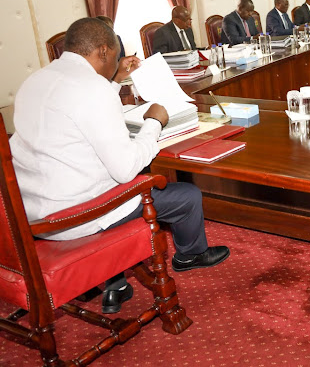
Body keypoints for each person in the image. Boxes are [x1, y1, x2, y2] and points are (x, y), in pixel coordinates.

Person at [10, 18, 230, 313]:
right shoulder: (92, 90)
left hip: (34, 215)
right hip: (80, 216)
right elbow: (126, 169)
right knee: (186, 196)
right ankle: (190, 255)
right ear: (102, 50)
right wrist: (154, 122)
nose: (116, 63)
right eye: (114, 57)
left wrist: (113, 80)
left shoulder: (35, 80)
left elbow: (80, 113)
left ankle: (116, 282)